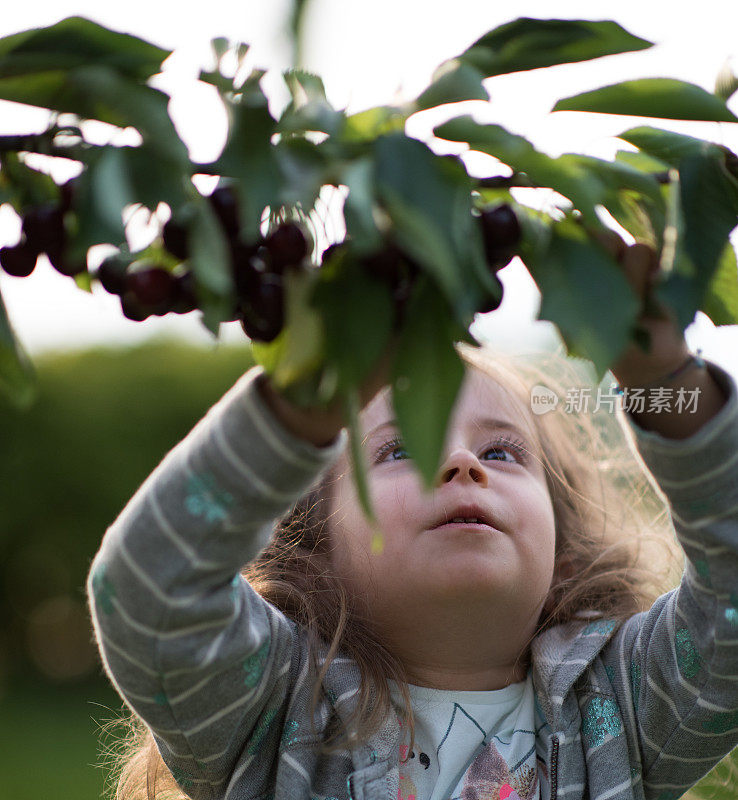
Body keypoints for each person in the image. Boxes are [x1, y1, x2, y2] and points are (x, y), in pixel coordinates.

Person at [88, 237, 738, 800]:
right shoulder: (271, 706)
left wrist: (669, 379)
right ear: (319, 556)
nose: (460, 463)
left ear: (564, 553)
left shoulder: (625, 708)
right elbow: (152, 590)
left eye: (502, 452)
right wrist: (299, 410)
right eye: (401, 449)